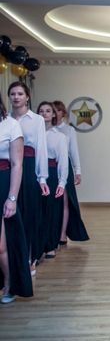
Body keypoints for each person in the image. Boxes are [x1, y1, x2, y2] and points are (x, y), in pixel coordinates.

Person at [8, 81, 49, 275]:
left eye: (20, 94)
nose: (16, 97)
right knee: (12, 215)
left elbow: (41, 149)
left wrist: (42, 178)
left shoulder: (37, 120)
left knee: (30, 213)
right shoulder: (5, 119)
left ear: (27, 97)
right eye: (12, 94)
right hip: (9, 167)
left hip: (30, 166)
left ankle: (30, 258)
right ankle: (13, 260)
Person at [0, 93, 33, 304]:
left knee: (1, 245)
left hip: (2, 183)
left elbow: (17, 164)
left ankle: (9, 282)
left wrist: (12, 198)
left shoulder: (10, 125)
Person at [52, 100, 89, 245]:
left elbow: (74, 151)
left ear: (63, 113)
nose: (55, 113)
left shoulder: (69, 130)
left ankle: (62, 234)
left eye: (58, 110)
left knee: (65, 201)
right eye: (53, 110)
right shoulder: (44, 128)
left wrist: (77, 171)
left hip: (64, 165)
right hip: (49, 165)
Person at [37, 102, 68, 259]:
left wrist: (62, 182)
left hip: (52, 173)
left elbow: (63, 161)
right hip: (34, 173)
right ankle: (37, 246)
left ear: (54, 114)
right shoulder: (33, 134)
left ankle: (50, 245)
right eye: (41, 111)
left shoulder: (60, 136)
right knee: (38, 210)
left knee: (52, 210)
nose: (44, 113)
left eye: (48, 111)